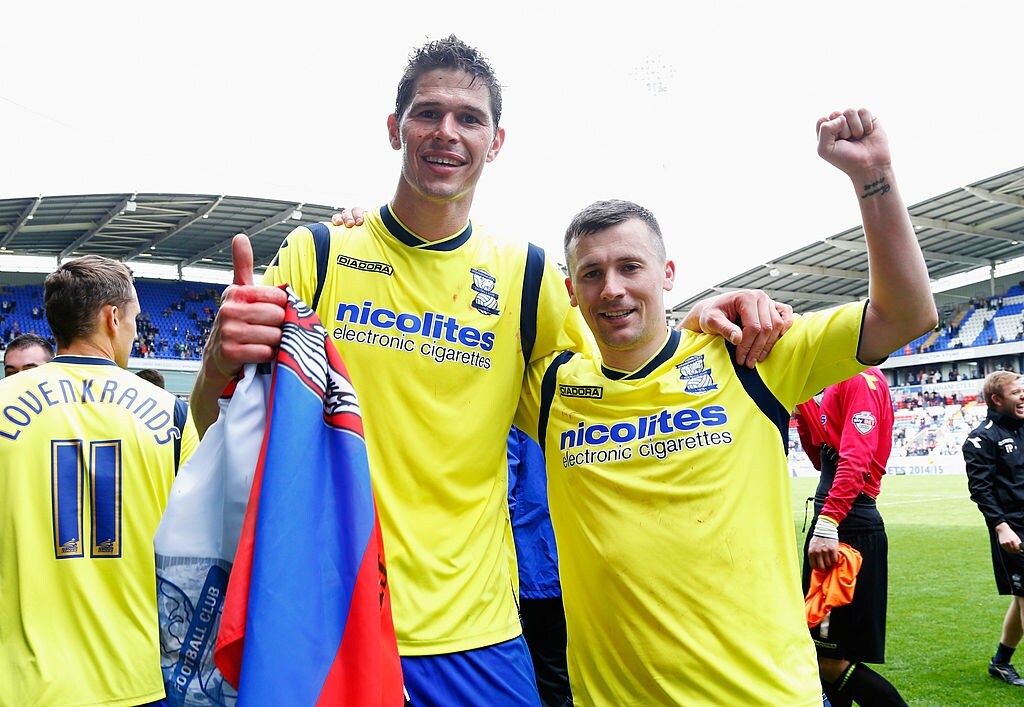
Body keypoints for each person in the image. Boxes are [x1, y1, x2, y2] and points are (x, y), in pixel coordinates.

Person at [192, 34, 793, 706]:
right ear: (394, 128)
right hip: (336, 622)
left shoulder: (525, 275)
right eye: (428, 113)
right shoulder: (320, 254)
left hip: (477, 634)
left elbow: (620, 386)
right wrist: (217, 359)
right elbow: (218, 426)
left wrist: (692, 326)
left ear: (496, 141)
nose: (447, 132)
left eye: (469, 118)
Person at [514, 108, 937, 704]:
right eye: (592, 273)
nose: (612, 288)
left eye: (630, 267)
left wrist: (873, 178)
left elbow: (907, 316)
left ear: (667, 273)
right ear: (571, 291)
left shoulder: (749, 354)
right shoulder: (551, 390)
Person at [0, 255, 199, 706]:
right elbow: (197, 551)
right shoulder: (171, 415)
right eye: (134, 319)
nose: (134, 330)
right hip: (135, 678)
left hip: (22, 684)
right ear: (112, 318)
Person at [795, 369, 907, 706]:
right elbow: (821, 456)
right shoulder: (836, 381)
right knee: (823, 653)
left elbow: (857, 458)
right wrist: (802, 403)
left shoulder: (859, 378)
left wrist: (829, 522)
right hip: (837, 521)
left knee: (828, 660)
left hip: (845, 526)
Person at [963, 370, 1024, 688]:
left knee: (1022, 598)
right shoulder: (981, 439)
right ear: (997, 400)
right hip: (1014, 530)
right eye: (1016, 392)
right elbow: (981, 490)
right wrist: (1001, 528)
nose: (1023, 396)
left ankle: (1000, 662)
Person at [507, 426, 570, 707]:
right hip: (567, 565)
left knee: (541, 676)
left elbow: (503, 491)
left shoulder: (515, 417)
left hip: (532, 566)